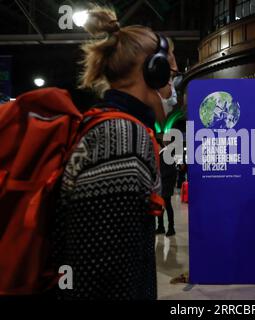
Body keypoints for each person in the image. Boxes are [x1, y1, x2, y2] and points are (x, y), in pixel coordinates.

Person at [50, 6, 176, 300]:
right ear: (152, 71)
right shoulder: (121, 140)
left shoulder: (118, 128)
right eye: (169, 73)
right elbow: (106, 269)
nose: (172, 87)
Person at [156, 140, 178, 237]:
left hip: (165, 185)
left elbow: (172, 171)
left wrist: (159, 177)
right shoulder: (162, 154)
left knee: (167, 206)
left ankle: (171, 228)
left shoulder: (166, 153)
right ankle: (161, 227)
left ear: (158, 144)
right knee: (159, 206)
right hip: (161, 185)